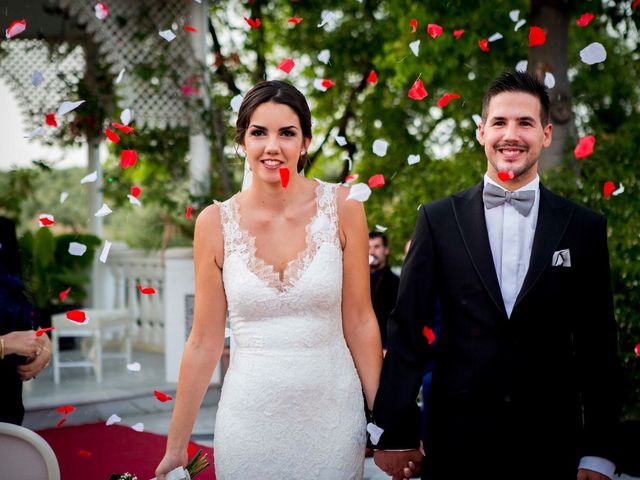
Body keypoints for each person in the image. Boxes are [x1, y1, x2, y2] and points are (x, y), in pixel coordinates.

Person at [373, 71, 622, 480]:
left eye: (525, 123)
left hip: (552, 446)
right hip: (455, 442)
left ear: (545, 134)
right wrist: (394, 430)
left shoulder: (583, 226)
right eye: (500, 122)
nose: (511, 134)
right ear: (481, 132)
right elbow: (407, 331)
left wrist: (600, 452)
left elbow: (598, 344)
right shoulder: (437, 220)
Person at [155, 80, 383, 479]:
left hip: (332, 419)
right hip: (247, 424)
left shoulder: (345, 208)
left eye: (287, 133)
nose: (272, 146)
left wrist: (387, 422)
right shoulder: (214, 223)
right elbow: (204, 339)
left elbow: (361, 321)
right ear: (242, 141)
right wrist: (176, 447)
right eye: (259, 132)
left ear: (306, 142)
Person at [0, 216, 52, 425]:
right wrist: (4, 344)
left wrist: (45, 347)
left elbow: (20, 307)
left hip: (7, 402)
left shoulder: (3, 228)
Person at [369, 231, 400, 348]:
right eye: (368, 247)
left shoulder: (396, 283)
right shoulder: (360, 279)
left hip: (385, 345)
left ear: (386, 250)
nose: (371, 252)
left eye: (376, 247)